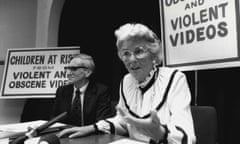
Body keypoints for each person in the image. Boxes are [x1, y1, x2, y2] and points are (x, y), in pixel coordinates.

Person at [58, 23, 196, 144]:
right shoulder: (126, 81)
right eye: (126, 53)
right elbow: (122, 122)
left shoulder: (175, 78)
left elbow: (187, 135)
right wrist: (92, 128)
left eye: (139, 51)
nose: (132, 59)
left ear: (153, 53)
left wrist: (160, 133)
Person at [51, 53, 112, 126]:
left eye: (74, 69)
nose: (68, 73)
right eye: (68, 69)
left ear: (87, 72)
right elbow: (54, 119)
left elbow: (102, 122)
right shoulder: (62, 91)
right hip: (65, 134)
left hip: (90, 135)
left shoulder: (101, 91)